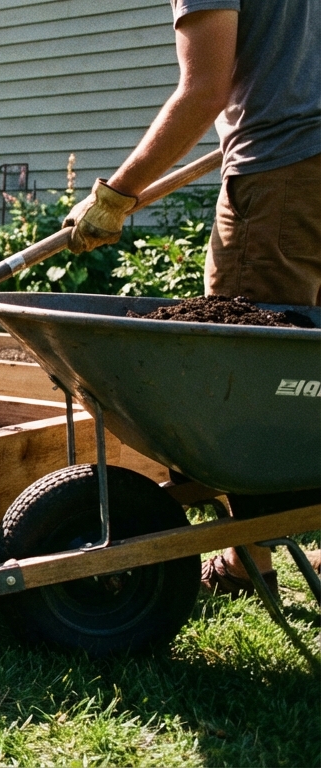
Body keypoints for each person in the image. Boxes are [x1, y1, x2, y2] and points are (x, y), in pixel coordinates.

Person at [62, 1, 321, 597]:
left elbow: (204, 90)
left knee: (249, 372)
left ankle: (244, 562)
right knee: (309, 373)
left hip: (283, 174)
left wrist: (115, 195)